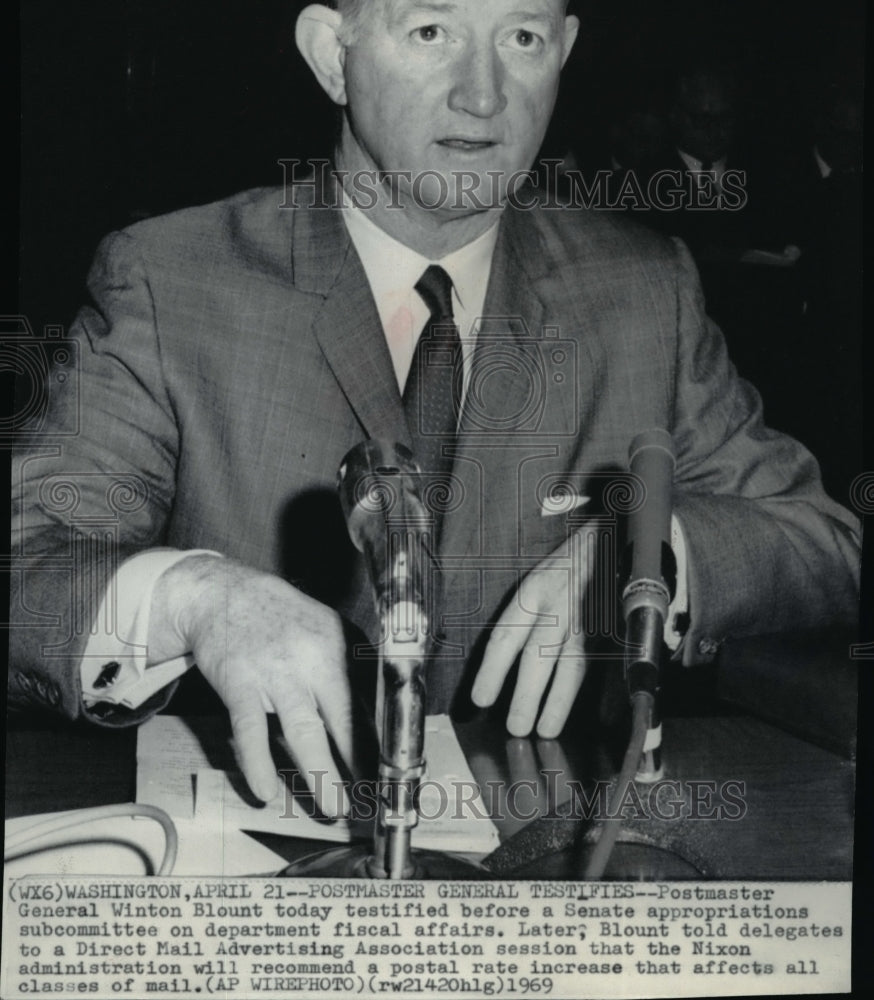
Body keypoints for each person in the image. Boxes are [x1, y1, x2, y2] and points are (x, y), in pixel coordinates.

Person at [10, 0, 860, 816]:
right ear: (330, 54)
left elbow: (822, 538)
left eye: (522, 37)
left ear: (562, 52)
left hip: (539, 881)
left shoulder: (645, 291)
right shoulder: (172, 280)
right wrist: (191, 599)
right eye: (430, 29)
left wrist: (651, 554)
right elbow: (28, 565)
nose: (483, 94)